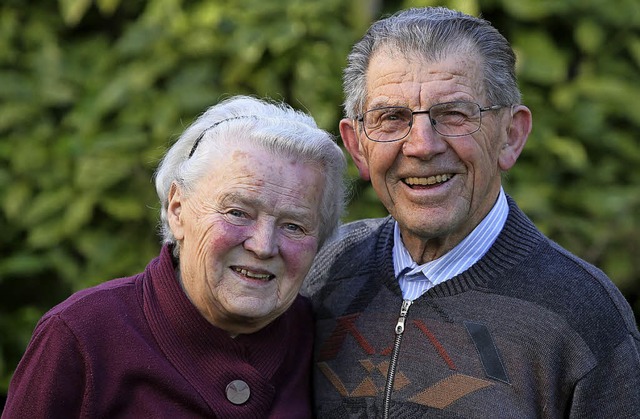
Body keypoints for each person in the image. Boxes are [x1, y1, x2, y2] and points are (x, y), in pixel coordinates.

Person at [302, 7, 640, 418]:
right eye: (392, 118)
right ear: (358, 146)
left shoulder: (583, 314)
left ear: (510, 136)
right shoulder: (321, 271)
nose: (422, 146)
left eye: (454, 114)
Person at [2, 95, 347, 418]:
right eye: (238, 212)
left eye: (294, 226)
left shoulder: (326, 337)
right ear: (178, 210)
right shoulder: (81, 336)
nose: (263, 246)